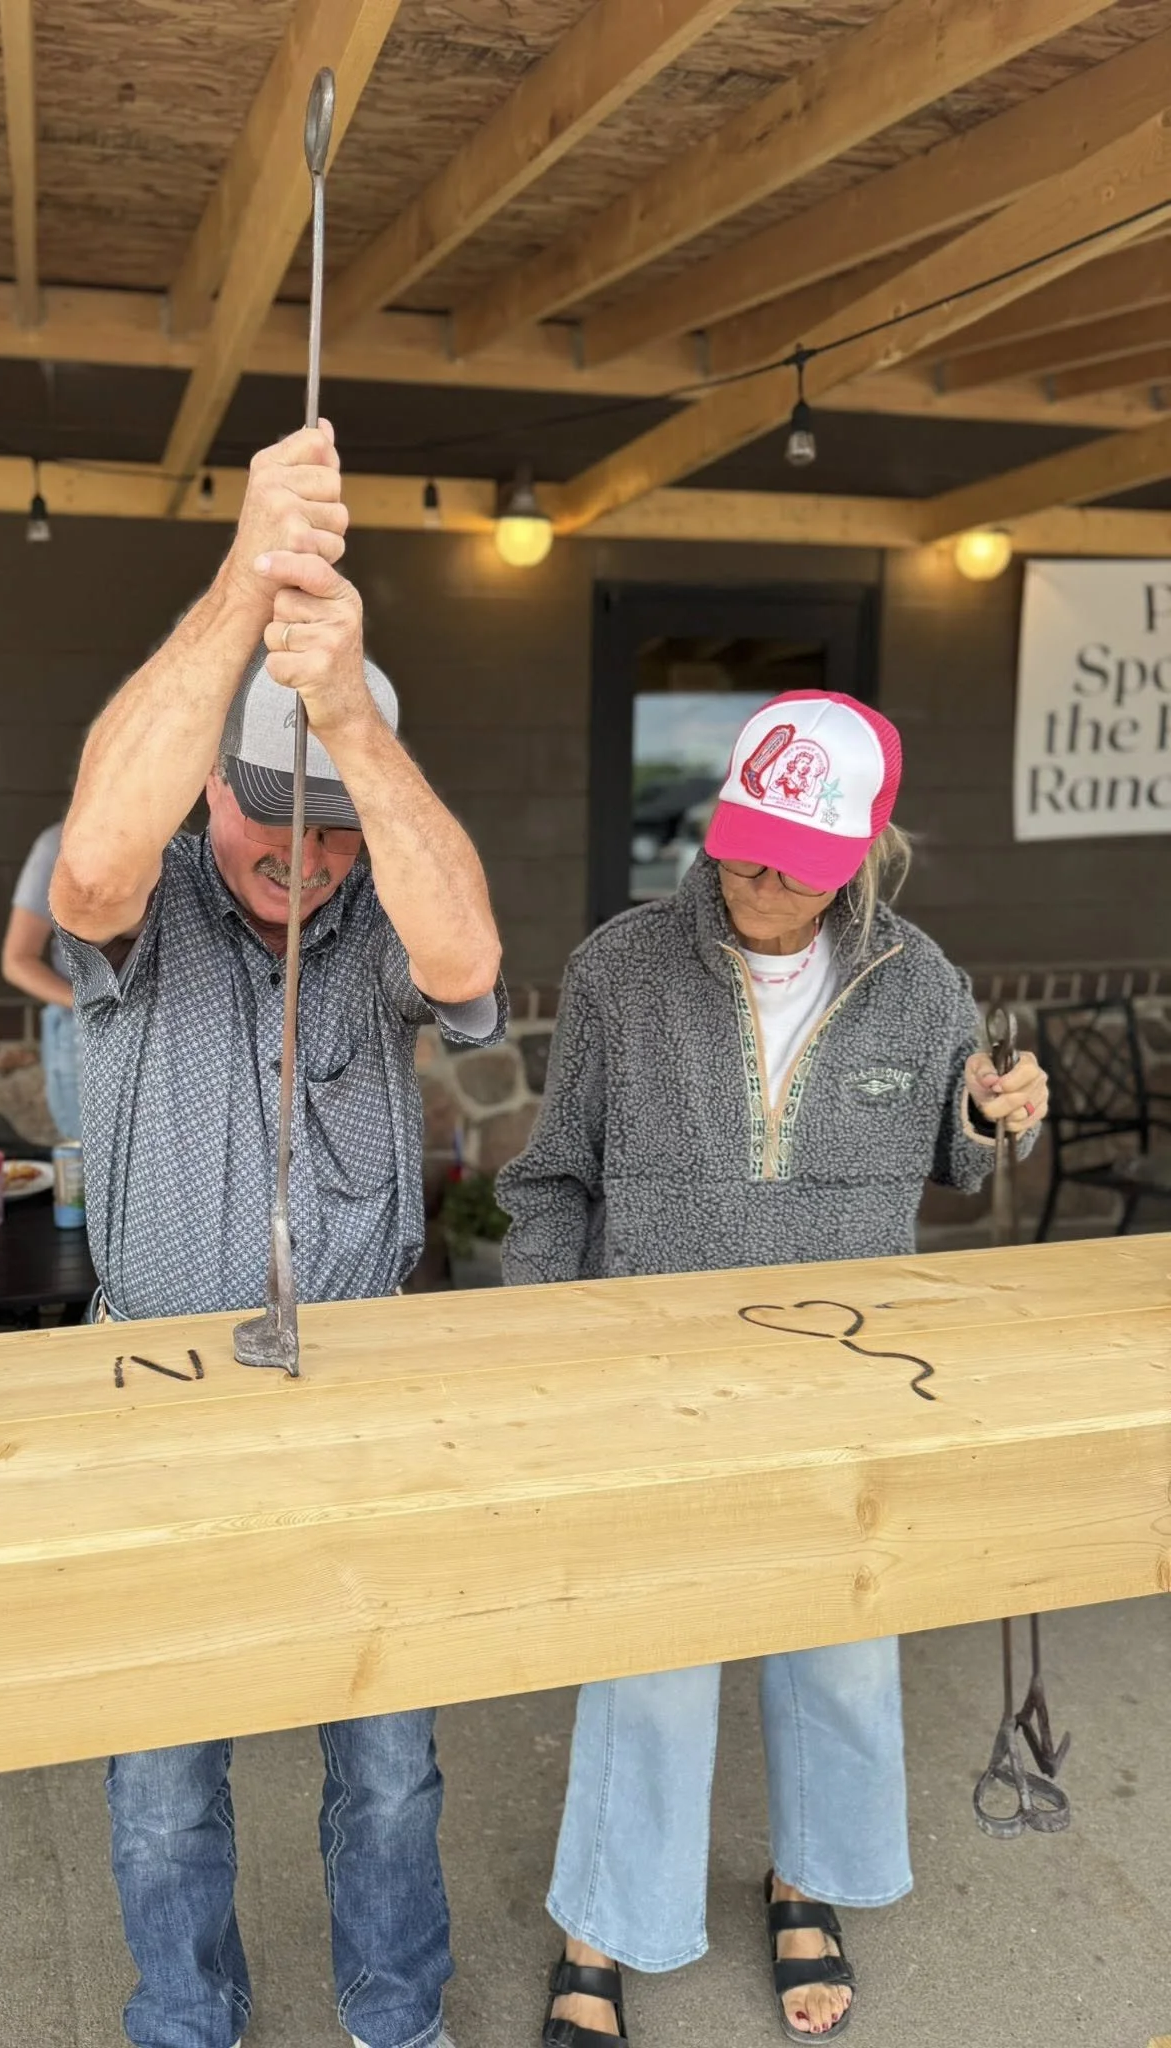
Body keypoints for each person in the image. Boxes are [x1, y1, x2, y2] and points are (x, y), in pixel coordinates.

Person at [498, 691, 1050, 2046]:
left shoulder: (919, 982)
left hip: (844, 1384)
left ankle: (811, 1878)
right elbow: (552, 1179)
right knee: (652, 1663)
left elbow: (962, 1155)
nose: (753, 880)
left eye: (790, 862)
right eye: (741, 848)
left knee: (845, 1651)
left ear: (859, 852)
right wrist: (545, 1344)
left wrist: (990, 1118)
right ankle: (607, 1924)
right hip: (655, 1379)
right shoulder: (622, 970)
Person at [50, 420, 505, 2048]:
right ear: (210, 800)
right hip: (157, 1388)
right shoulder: (148, 882)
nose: (297, 863)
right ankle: (189, 2027)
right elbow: (92, 864)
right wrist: (253, 575)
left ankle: (399, 2021)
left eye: (326, 834)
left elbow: (469, 960)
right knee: (167, 1773)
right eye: (266, 821)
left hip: (363, 1384)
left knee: (387, 1759)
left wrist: (350, 728)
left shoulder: (380, 896)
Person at [3, 821, 80, 1138]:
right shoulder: (59, 846)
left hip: (162, 1042)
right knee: (90, 1170)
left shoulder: (179, 846)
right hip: (83, 1043)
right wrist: (93, 1004)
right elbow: (17, 961)